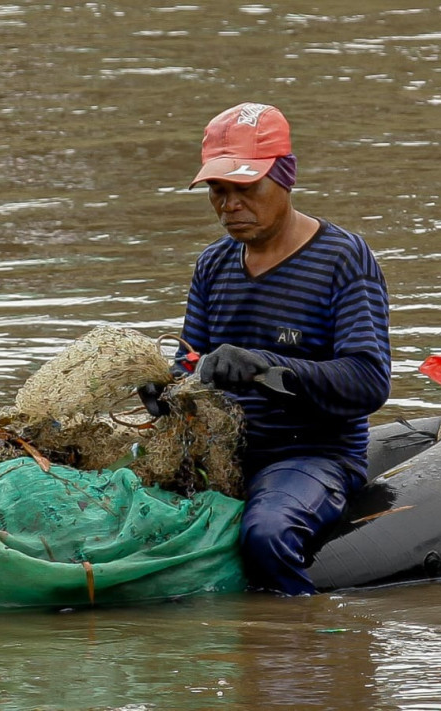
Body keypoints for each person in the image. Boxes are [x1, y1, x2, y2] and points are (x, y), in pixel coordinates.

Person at [145, 102, 391, 595]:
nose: (229, 205)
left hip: (313, 455)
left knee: (267, 535)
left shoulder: (343, 259)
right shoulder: (213, 264)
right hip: (225, 453)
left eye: (246, 188)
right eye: (218, 190)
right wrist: (163, 392)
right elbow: (189, 364)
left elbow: (369, 381)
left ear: (285, 177)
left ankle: (295, 629)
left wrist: (264, 368)